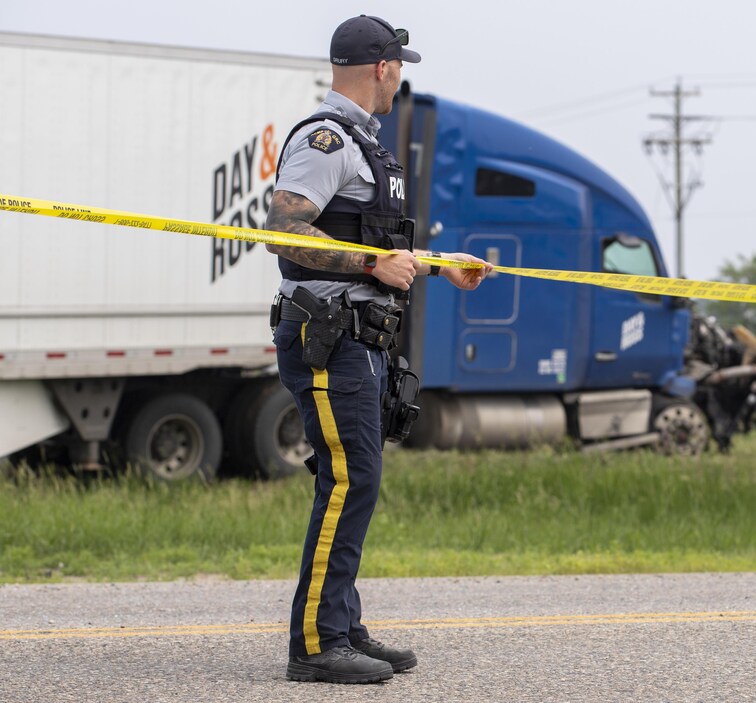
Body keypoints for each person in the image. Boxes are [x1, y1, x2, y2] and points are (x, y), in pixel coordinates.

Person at [264, 15, 491, 685]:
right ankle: (315, 642)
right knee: (347, 480)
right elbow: (284, 230)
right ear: (383, 69)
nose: (401, 78)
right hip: (327, 335)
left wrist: (438, 262)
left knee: (354, 480)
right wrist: (371, 267)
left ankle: (341, 623)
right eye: (401, 66)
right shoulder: (329, 138)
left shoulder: (364, 142)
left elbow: (371, 241)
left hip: (356, 339)